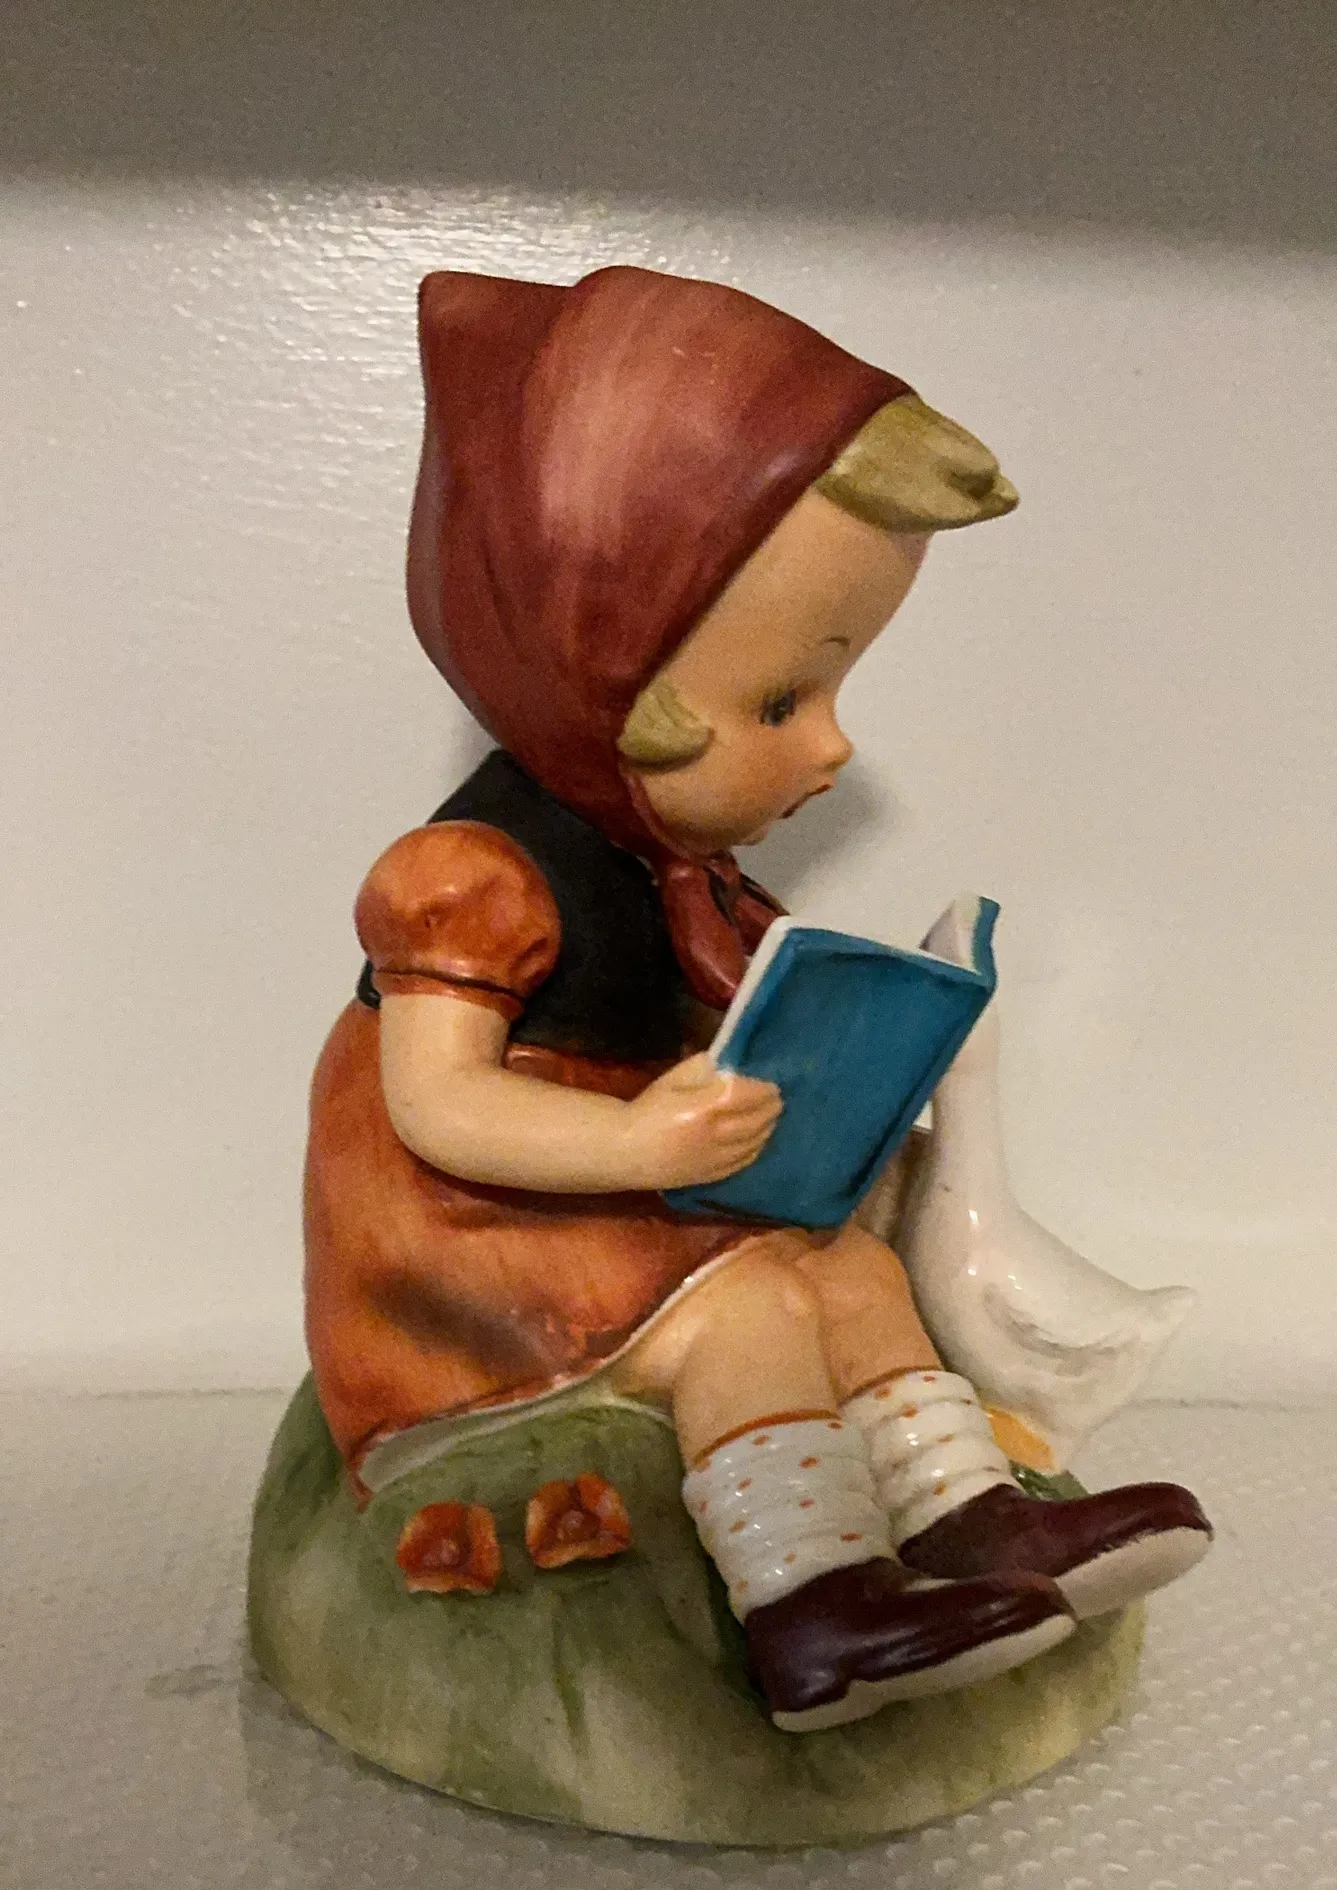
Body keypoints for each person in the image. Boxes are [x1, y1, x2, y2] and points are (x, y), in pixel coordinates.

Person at [304, 265, 1210, 1733]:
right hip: (474, 1252)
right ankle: (812, 1608)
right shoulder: (469, 875)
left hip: (634, 1204)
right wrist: (637, 1145)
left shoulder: (696, 886)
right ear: (602, 677)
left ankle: (965, 1515)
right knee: (749, 1312)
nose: (832, 751)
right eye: (782, 702)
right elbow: (438, 1103)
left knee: (848, 1275)